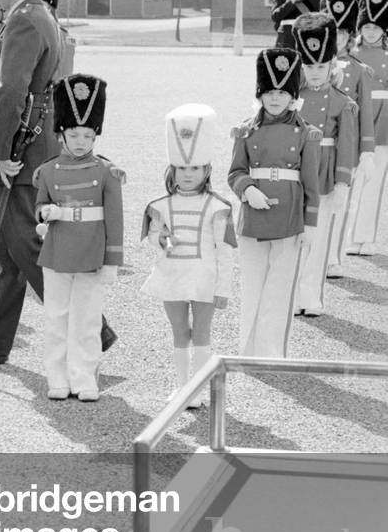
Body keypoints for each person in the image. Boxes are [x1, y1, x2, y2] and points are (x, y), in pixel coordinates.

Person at [0, 0, 116, 365]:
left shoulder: (24, 18)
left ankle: (94, 327)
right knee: (10, 251)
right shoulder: (39, 14)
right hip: (33, 139)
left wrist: (1, 153)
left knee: (25, 242)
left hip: (21, 146)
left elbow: (9, 91)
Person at [33, 75, 122, 402]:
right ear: (61, 134)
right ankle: (57, 376)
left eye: (88, 134)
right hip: (57, 252)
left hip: (91, 254)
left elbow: (115, 219)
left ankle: (85, 376)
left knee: (85, 320)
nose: (81, 141)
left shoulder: (106, 172)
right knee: (56, 317)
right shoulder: (48, 170)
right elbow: (39, 205)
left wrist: (112, 260)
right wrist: (45, 213)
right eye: (74, 134)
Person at [227, 48, 320, 358]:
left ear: (293, 95)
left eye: (282, 92)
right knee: (252, 286)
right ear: (260, 94)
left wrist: (310, 224)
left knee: (279, 290)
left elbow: (311, 183)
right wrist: (247, 189)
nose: (275, 98)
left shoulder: (305, 133)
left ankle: (271, 352)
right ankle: (248, 350)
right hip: (253, 216)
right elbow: (235, 172)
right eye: (269, 92)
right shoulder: (245, 129)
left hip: (290, 217)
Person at [141, 104, 234, 408]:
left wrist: (223, 289)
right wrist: (161, 239)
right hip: (171, 277)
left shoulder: (218, 206)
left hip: (204, 279)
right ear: (173, 170)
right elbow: (155, 235)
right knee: (180, 332)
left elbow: (225, 252)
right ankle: (182, 388)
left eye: (195, 168)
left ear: (207, 170)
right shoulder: (160, 204)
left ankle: (198, 387)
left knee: (203, 333)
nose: (188, 174)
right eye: (182, 168)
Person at [292, 12, 357, 316]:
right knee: (294, 239)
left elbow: (346, 145)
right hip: (296, 175)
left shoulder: (342, 101)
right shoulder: (291, 98)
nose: (315, 73)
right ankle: (292, 295)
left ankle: (311, 297)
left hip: (326, 175)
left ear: (332, 65)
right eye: (309, 66)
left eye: (321, 66)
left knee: (319, 241)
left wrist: (343, 181)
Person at [321, 0, 375, 277]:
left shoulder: (359, 69)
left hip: (346, 148)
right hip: (316, 148)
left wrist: (366, 152)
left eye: (343, 32)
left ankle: (333, 256)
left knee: (341, 203)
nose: (339, 39)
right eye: (334, 32)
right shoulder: (311, 68)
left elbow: (365, 112)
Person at [345, 0, 388, 256]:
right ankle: (348, 237)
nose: (370, 31)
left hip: (384, 121)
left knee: (376, 182)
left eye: (376, 27)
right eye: (366, 26)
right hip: (359, 119)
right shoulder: (352, 56)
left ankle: (367, 237)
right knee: (351, 181)